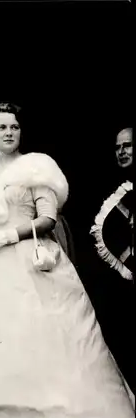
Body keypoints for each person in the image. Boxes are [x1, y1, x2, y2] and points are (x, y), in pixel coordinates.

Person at [0, 102, 135, 418]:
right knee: (1, 346)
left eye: (14, 127)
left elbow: (47, 219)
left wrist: (10, 236)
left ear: (21, 132)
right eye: (1, 127)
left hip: (28, 262)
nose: (8, 133)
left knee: (34, 343)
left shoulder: (37, 168)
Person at [90, 127, 134, 392]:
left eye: (128, 146)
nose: (122, 152)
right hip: (121, 284)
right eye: (118, 147)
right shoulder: (113, 191)